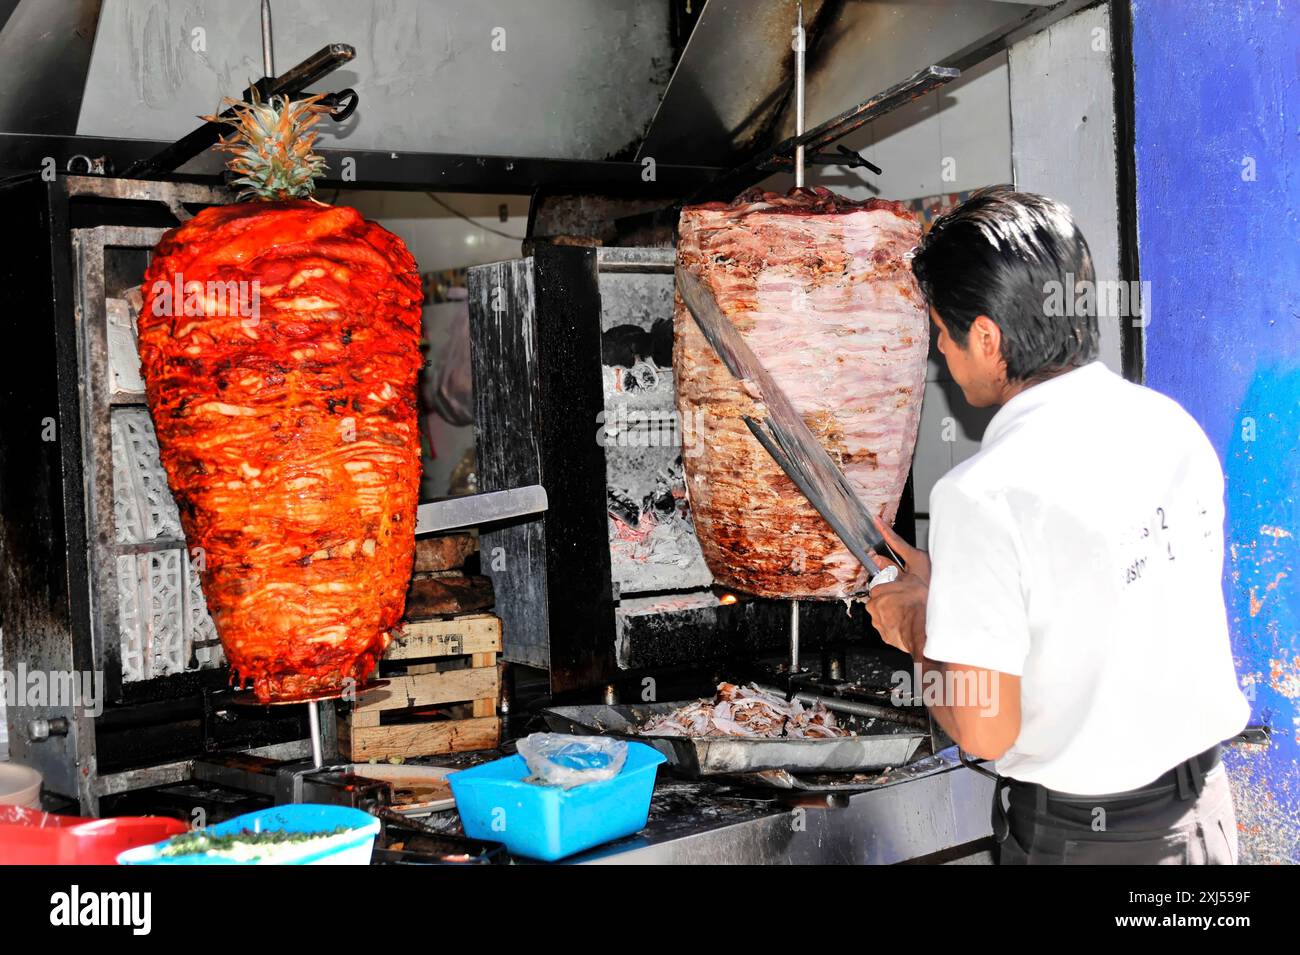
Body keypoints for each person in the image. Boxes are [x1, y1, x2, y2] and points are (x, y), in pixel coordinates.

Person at [865, 185, 1249, 865]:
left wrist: (920, 629)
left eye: (941, 335)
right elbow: (1096, 603)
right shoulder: (1171, 428)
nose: (940, 358)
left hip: (1083, 842)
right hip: (1203, 825)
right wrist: (954, 592)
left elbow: (984, 729)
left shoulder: (981, 493)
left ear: (986, 337)